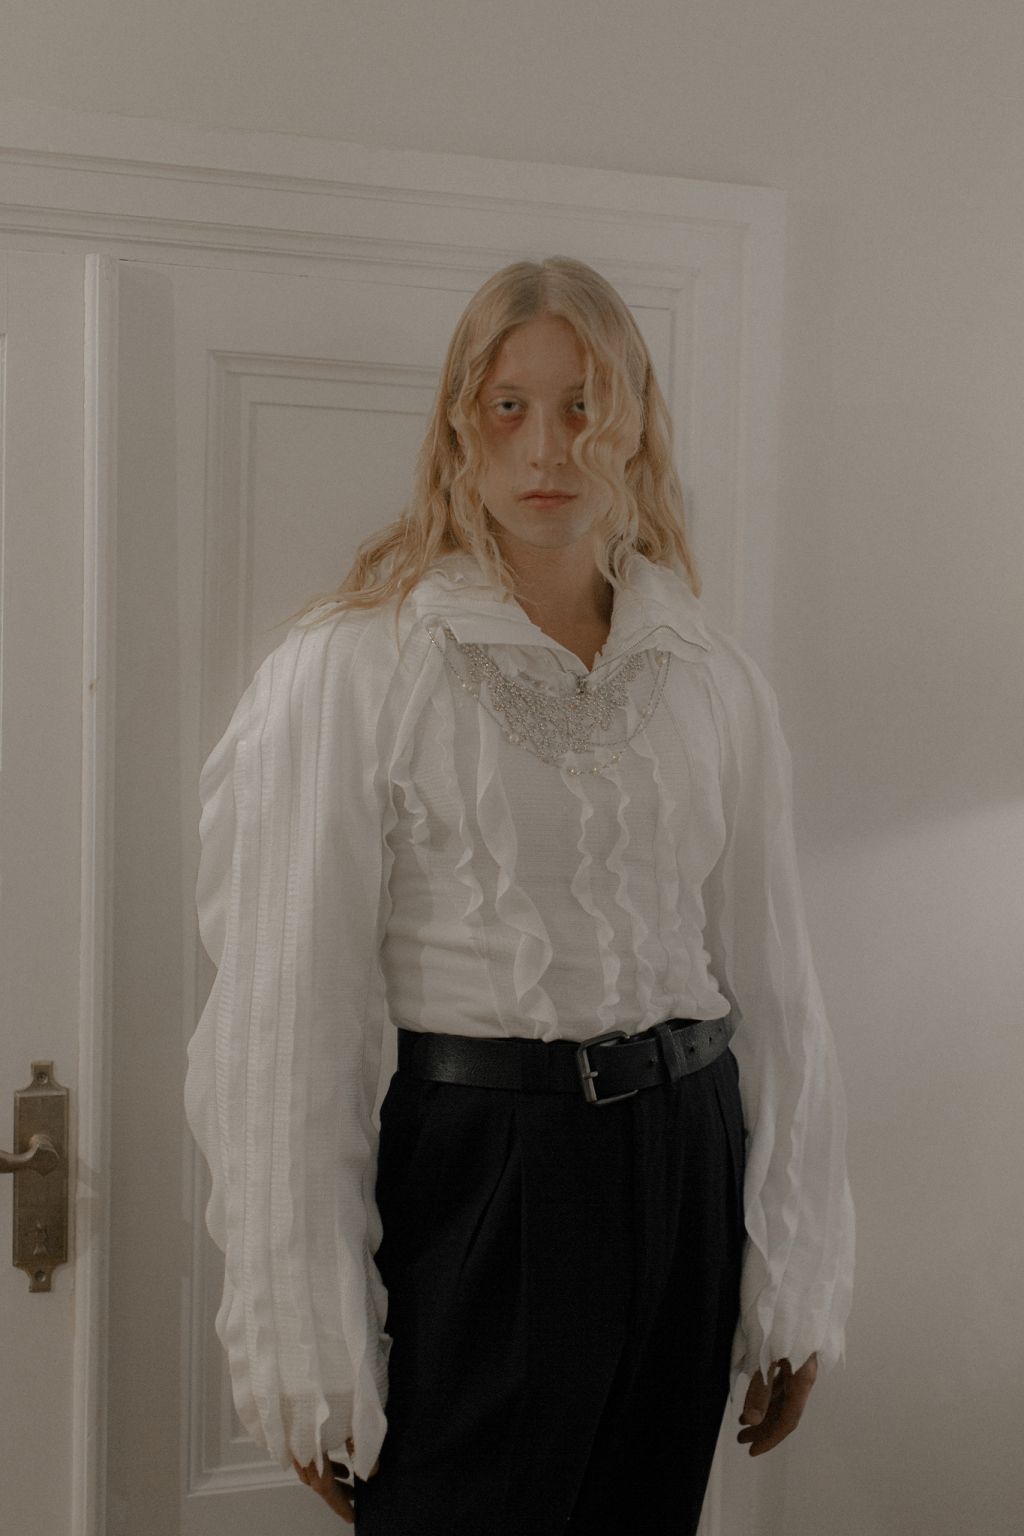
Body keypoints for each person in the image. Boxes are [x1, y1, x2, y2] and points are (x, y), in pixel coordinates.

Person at [184, 255, 854, 1535]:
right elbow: (285, 1023)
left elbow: (775, 986)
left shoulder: (711, 677)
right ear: (459, 425)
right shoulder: (354, 667)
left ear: (636, 426)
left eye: (583, 405)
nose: (548, 446)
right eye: (509, 406)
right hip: (486, 1173)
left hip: (687, 1159)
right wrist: (299, 1341)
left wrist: (797, 1270)